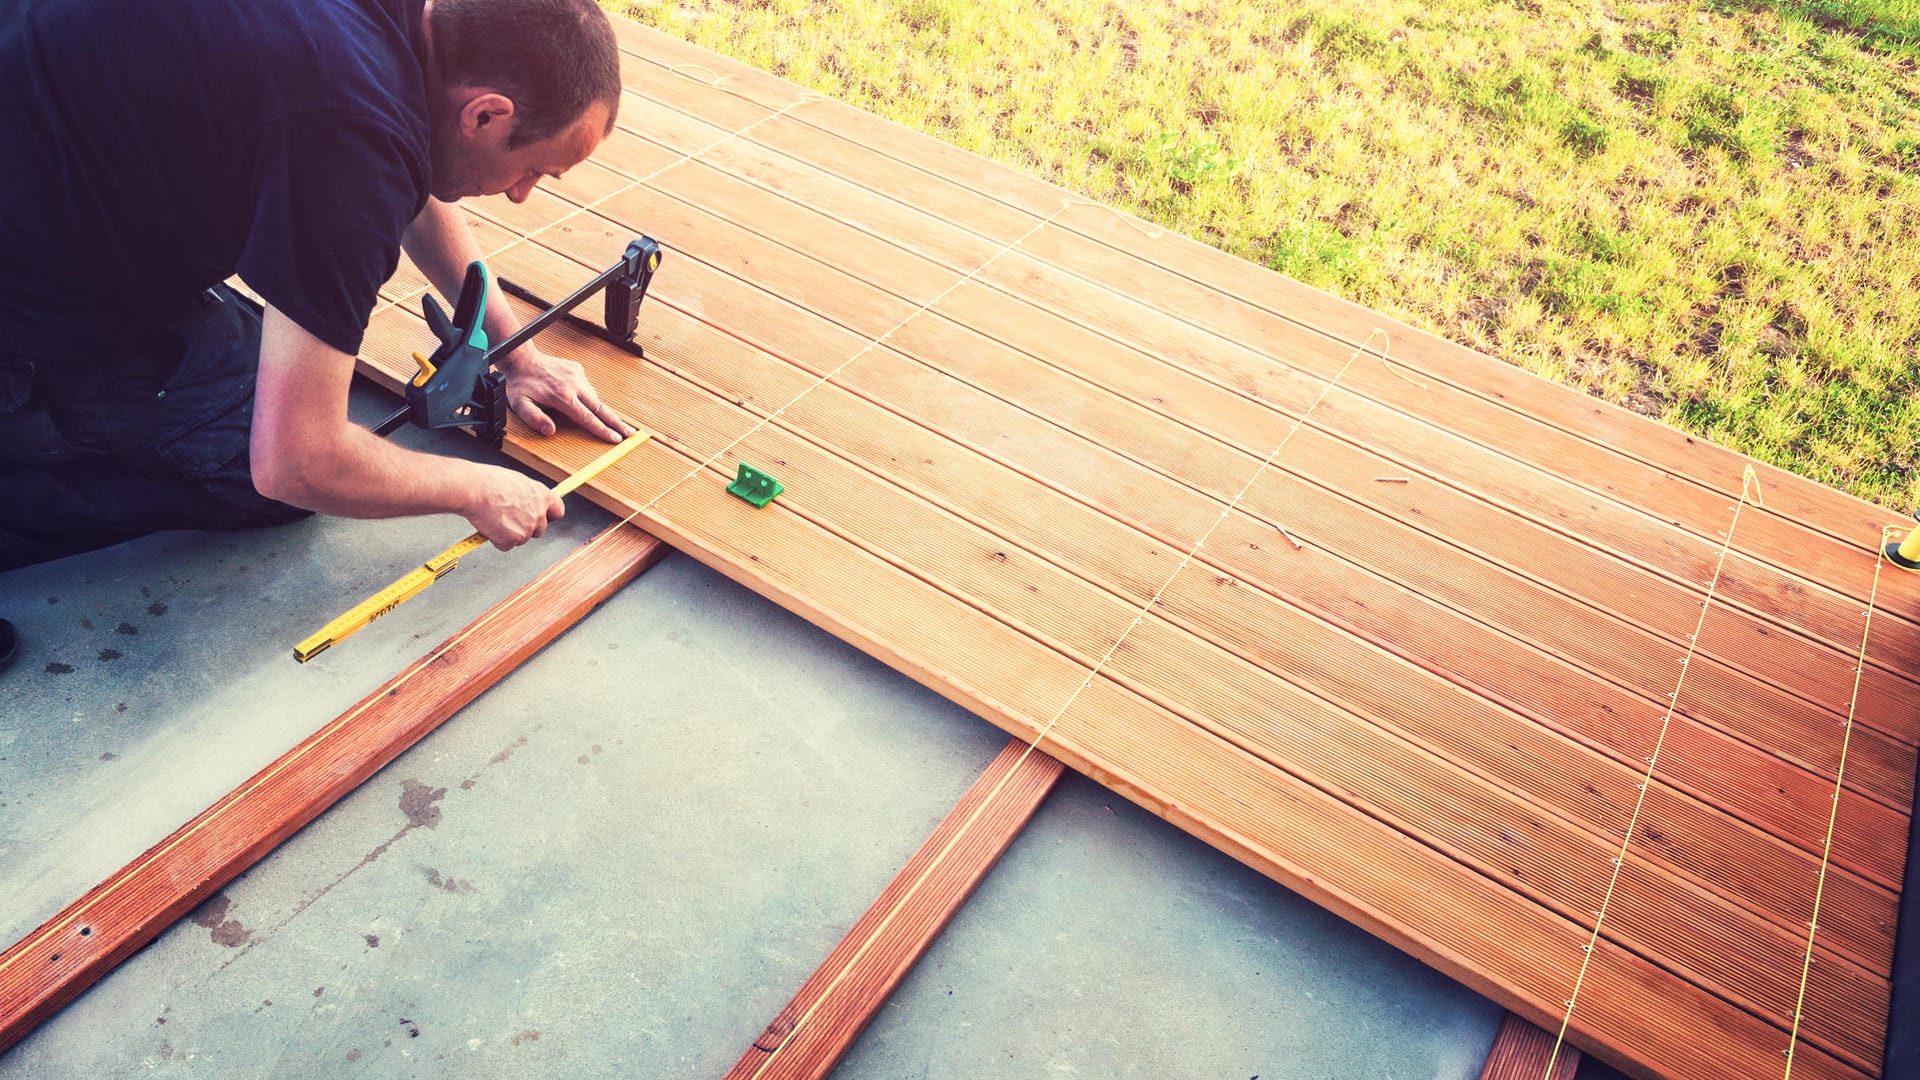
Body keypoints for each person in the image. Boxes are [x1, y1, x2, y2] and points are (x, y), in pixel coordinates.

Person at [0, 0, 636, 576]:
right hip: (27, 306)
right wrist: (477, 489)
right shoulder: (348, 130)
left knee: (270, 378)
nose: (523, 193)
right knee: (264, 475)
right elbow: (296, 463)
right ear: (486, 113)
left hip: (42, 145)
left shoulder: (407, 34)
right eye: (532, 169)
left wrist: (514, 351)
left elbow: (409, 163)